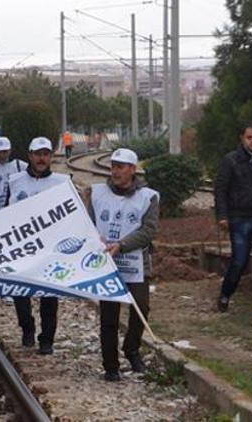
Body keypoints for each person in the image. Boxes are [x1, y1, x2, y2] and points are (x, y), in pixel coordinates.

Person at [85, 148, 159, 382]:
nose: (115, 171)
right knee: (109, 315)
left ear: (132, 170)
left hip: (135, 263)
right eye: (113, 166)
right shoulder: (97, 194)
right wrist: (97, 239)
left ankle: (132, 348)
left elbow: (148, 230)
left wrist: (123, 244)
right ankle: (111, 365)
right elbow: (88, 224)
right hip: (107, 263)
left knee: (141, 307)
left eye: (121, 167)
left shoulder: (149, 197)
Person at [6, 137, 70, 354]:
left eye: (45, 154)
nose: (41, 158)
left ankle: (47, 339)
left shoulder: (62, 182)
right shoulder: (14, 181)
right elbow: (7, 213)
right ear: (30, 156)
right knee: (20, 292)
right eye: (37, 154)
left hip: (50, 248)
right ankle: (27, 326)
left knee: (49, 296)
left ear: (50, 156)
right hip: (22, 247)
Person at [215, 123, 252, 316]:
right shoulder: (231, 160)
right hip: (239, 219)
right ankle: (226, 293)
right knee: (239, 261)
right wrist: (223, 215)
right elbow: (221, 189)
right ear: (242, 138)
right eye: (249, 137)